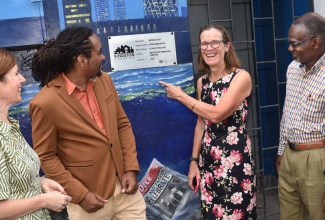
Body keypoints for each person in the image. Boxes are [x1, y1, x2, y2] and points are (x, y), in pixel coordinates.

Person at [30, 26, 146, 219]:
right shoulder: (44, 103)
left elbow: (122, 124)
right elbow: (47, 157)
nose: (103, 57)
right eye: (99, 52)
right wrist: (80, 195)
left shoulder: (105, 81)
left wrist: (130, 168)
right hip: (89, 200)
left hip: (126, 192)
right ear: (81, 60)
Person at [159, 24, 256, 219]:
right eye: (204, 43)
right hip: (208, 161)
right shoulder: (202, 82)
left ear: (227, 46)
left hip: (234, 160)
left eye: (214, 42)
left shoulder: (240, 77)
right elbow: (201, 124)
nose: (209, 48)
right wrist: (194, 162)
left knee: (237, 214)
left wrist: (180, 96)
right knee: (211, 214)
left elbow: (217, 114)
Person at [0, 49, 71, 219]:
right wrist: (44, 201)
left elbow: (14, 182)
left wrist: (41, 183)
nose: (22, 79)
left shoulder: (10, 127)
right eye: (16, 74)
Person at [276, 12, 325, 220]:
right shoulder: (292, 70)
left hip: (317, 160)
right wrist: (281, 152)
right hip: (289, 155)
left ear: (316, 42)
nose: (290, 49)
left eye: (295, 44)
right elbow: (287, 112)